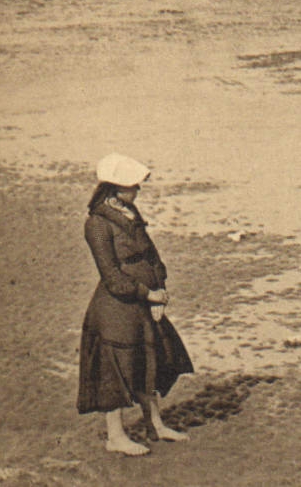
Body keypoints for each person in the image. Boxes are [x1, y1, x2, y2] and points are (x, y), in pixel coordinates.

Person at [78, 153, 195, 455]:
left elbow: (152, 257)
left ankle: (156, 424)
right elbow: (113, 276)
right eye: (133, 185)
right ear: (114, 187)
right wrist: (149, 294)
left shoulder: (130, 214)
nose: (138, 190)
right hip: (115, 309)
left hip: (143, 304)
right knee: (114, 371)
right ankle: (115, 437)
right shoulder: (98, 224)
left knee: (148, 364)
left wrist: (160, 290)